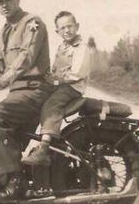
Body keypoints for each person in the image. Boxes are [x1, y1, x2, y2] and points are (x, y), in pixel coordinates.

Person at [0, 0, 52, 203]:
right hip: (18, 92)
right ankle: (14, 193)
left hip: (34, 89)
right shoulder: (5, 29)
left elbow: (26, 56)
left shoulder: (32, 23)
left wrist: (3, 79)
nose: (3, 4)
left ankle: (14, 185)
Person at [21, 11, 92, 167]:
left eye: (70, 26)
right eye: (63, 28)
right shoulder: (62, 47)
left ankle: (44, 149)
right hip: (60, 84)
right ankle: (21, 143)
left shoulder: (81, 47)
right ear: (57, 32)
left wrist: (57, 80)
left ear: (77, 26)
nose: (67, 30)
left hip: (73, 87)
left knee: (51, 105)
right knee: (33, 100)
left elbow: (78, 73)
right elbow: (55, 69)